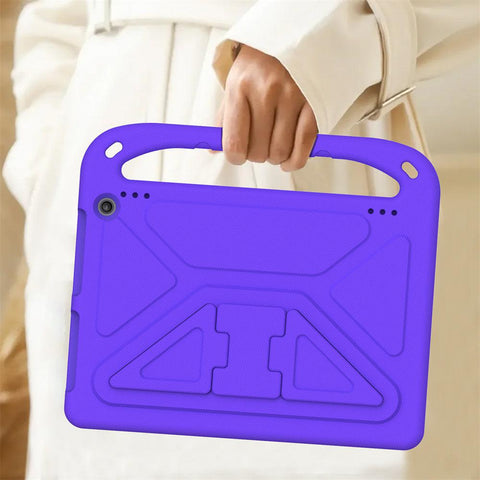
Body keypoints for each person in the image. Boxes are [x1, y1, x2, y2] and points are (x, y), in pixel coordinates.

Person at [3, 0, 478, 478]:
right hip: (97, 193)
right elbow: (54, 18)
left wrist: (312, 39)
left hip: (290, 151)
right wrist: (48, 160)